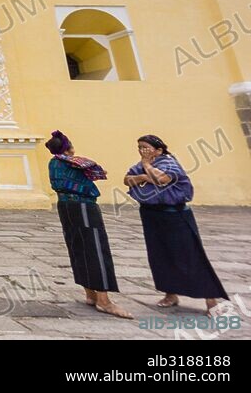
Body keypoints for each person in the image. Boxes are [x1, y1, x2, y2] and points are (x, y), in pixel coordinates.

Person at [124, 135, 229, 316]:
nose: (142, 150)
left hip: (175, 215)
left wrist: (147, 168)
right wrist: (143, 175)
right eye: (140, 147)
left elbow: (162, 179)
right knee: (160, 256)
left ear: (159, 150)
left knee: (190, 256)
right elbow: (127, 179)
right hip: (151, 214)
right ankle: (170, 294)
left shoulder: (169, 163)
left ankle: (211, 300)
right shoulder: (140, 165)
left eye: (146, 147)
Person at [46, 130, 132, 319]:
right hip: (83, 206)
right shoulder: (74, 162)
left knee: (78, 247)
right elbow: (99, 172)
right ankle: (104, 300)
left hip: (65, 206)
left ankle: (90, 294)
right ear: (68, 149)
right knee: (95, 249)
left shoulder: (54, 163)